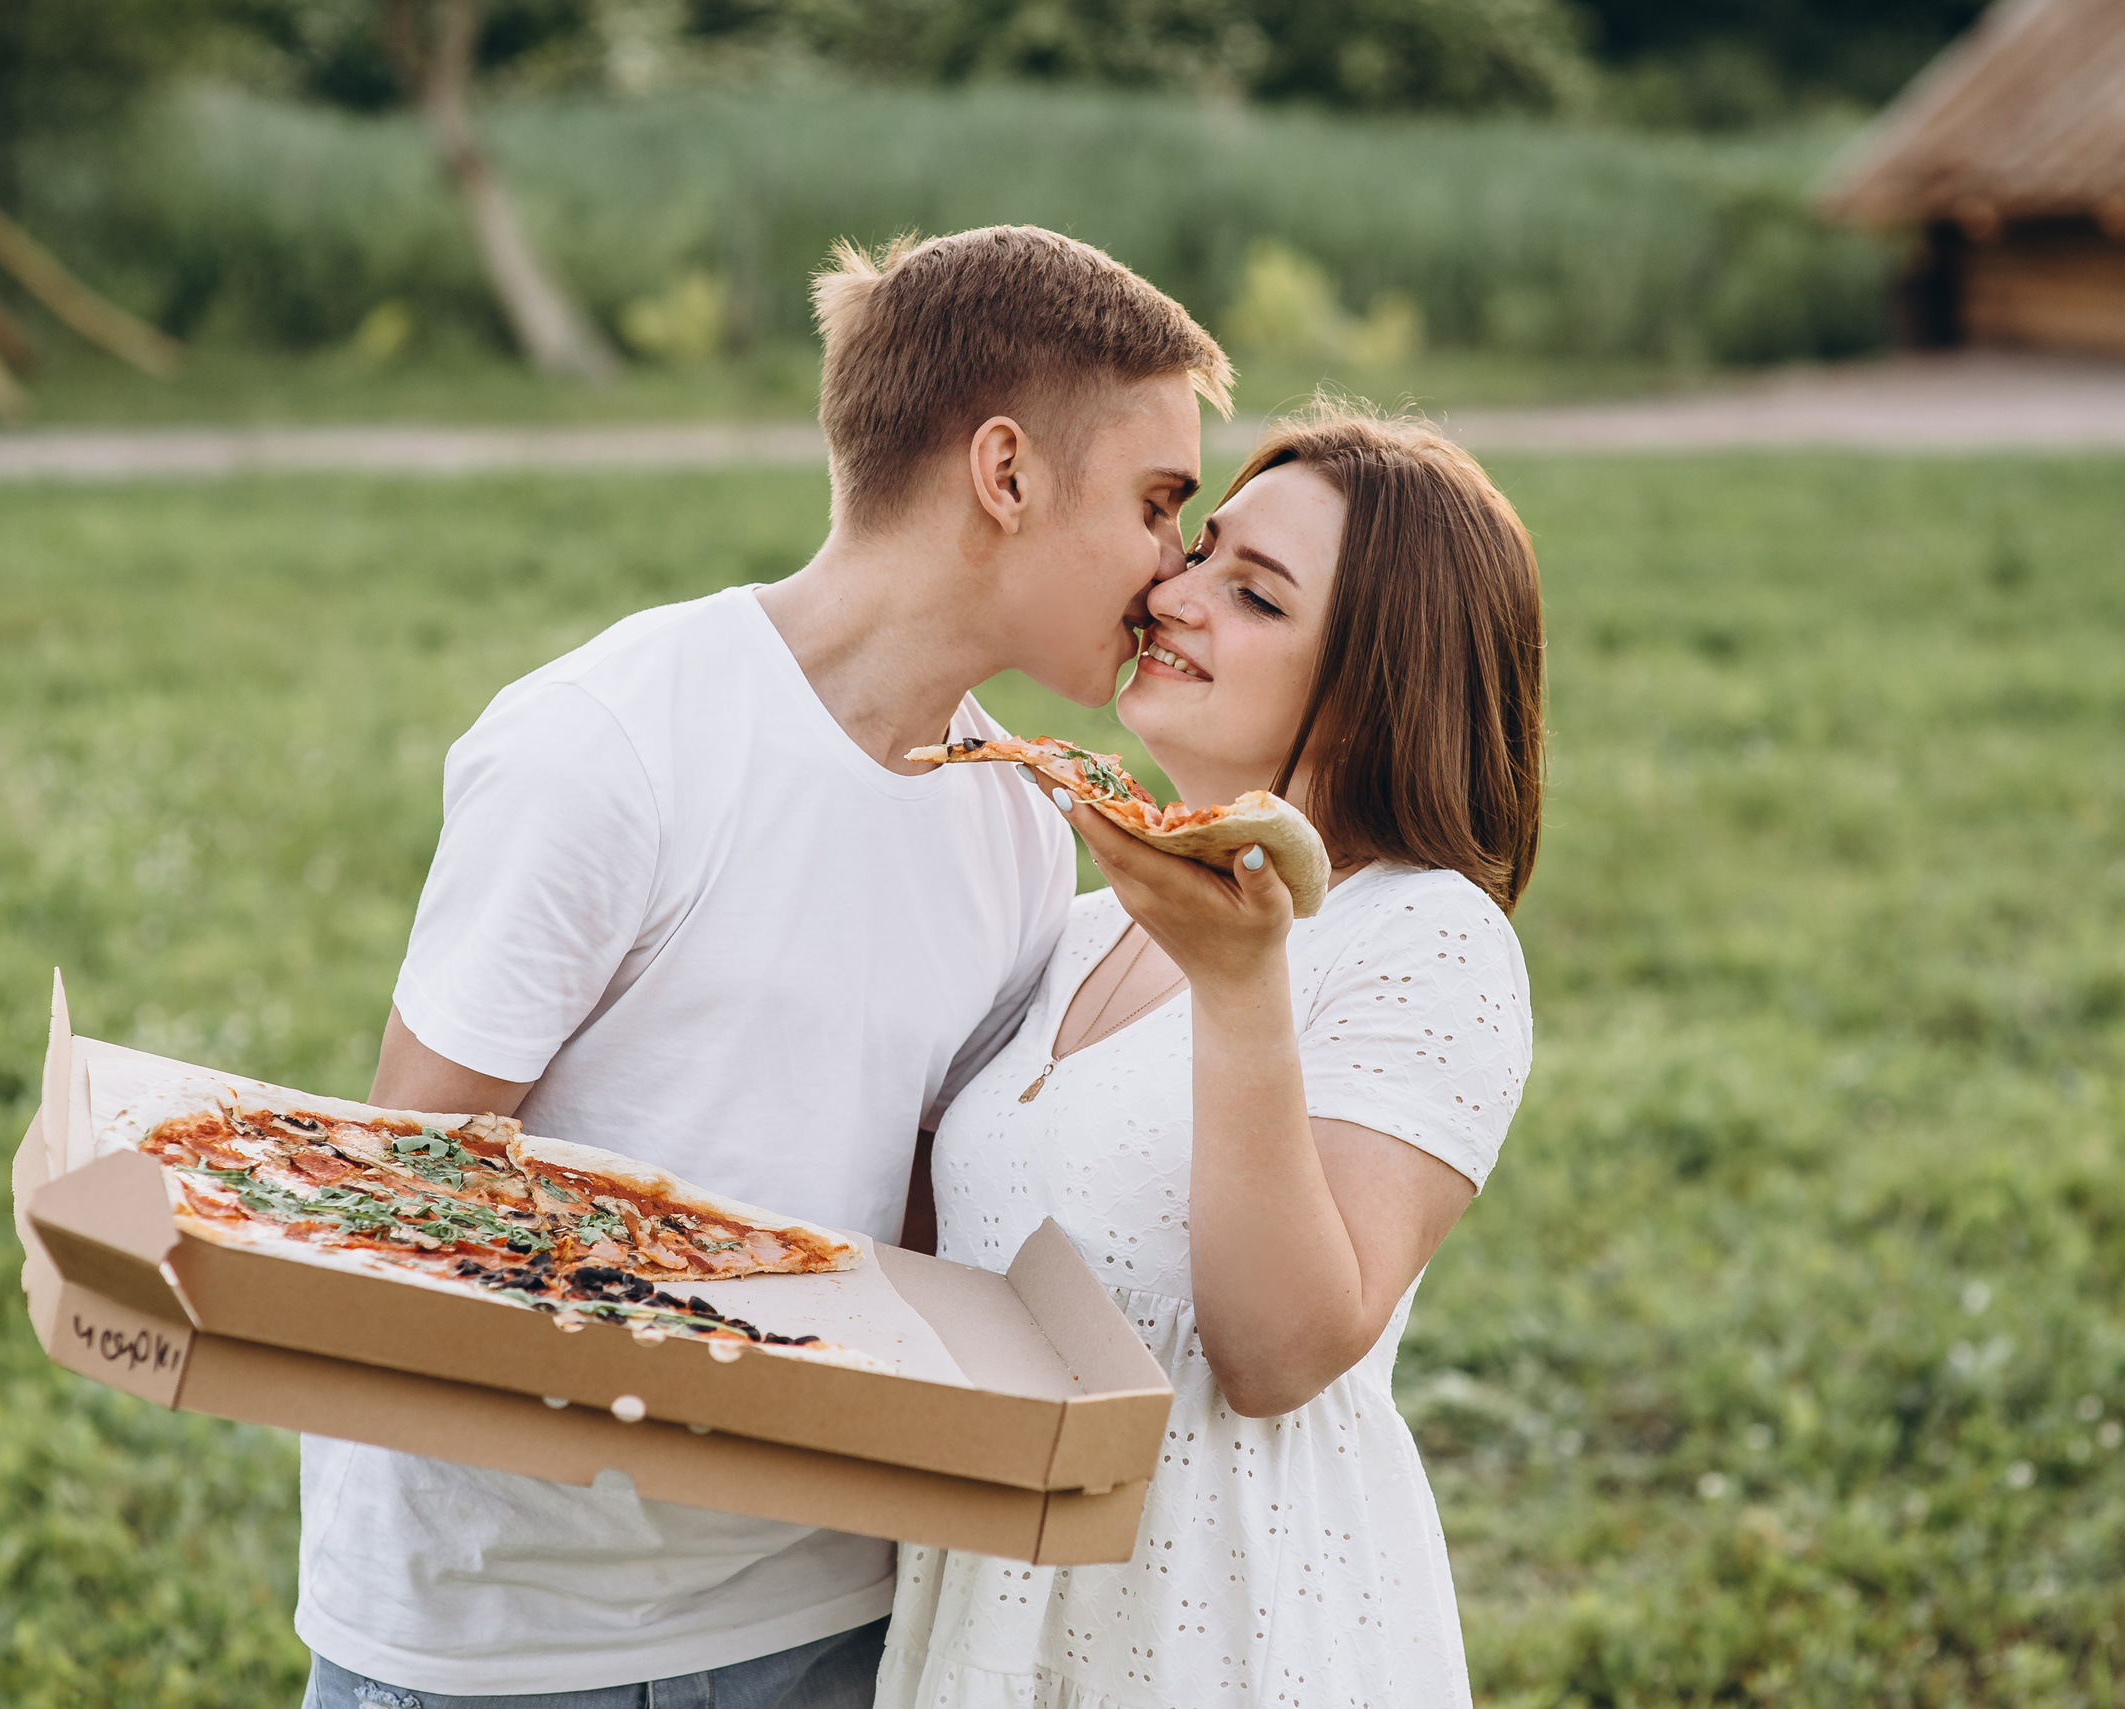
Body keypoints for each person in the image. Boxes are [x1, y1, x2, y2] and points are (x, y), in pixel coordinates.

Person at [297, 226, 1232, 1709]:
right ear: (1006, 473)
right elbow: (410, 1189)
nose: (1177, 569)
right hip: (511, 1635)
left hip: (823, 1621)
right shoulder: (614, 744)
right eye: (1158, 503)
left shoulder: (1011, 822)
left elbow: (922, 1243)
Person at [878, 406, 1546, 1709]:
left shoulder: (1422, 936)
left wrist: (1243, 989)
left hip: (1229, 1634)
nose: (1171, 593)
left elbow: (1279, 1350)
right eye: (1200, 550)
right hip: (991, 1631)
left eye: (1252, 593)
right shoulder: (1077, 928)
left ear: (1373, 686)